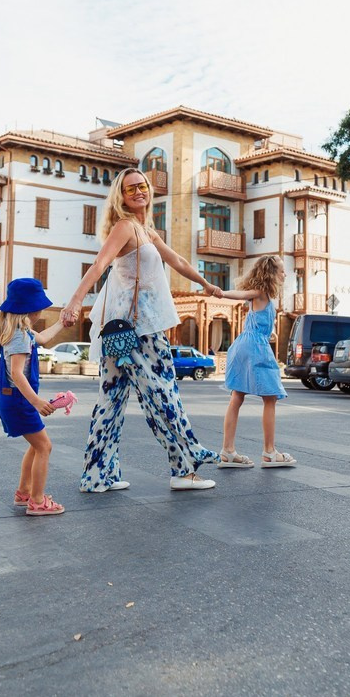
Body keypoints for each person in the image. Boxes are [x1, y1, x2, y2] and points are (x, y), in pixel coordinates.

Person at [60, 168, 224, 492]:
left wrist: (206, 284)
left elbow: (177, 260)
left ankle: (96, 476)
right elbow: (98, 265)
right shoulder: (125, 227)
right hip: (138, 330)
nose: (138, 192)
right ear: (120, 196)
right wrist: (73, 303)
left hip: (120, 331)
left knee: (112, 400)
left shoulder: (147, 230)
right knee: (164, 394)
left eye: (142, 186)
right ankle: (186, 466)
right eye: (130, 188)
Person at [0, 277, 70, 517]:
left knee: (36, 446)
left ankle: (24, 492)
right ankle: (36, 501)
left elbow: (44, 339)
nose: (41, 311)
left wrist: (61, 323)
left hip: (12, 400)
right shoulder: (19, 337)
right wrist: (36, 402)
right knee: (44, 446)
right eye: (39, 307)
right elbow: (16, 373)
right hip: (19, 401)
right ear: (30, 309)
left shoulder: (19, 332)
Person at [217, 255, 295, 469]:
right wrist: (222, 293)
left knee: (237, 397)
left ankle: (228, 451)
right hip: (255, 348)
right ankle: (269, 452)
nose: (284, 273)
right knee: (270, 399)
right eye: (281, 270)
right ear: (271, 273)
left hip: (242, 345)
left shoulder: (267, 298)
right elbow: (242, 294)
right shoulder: (260, 293)